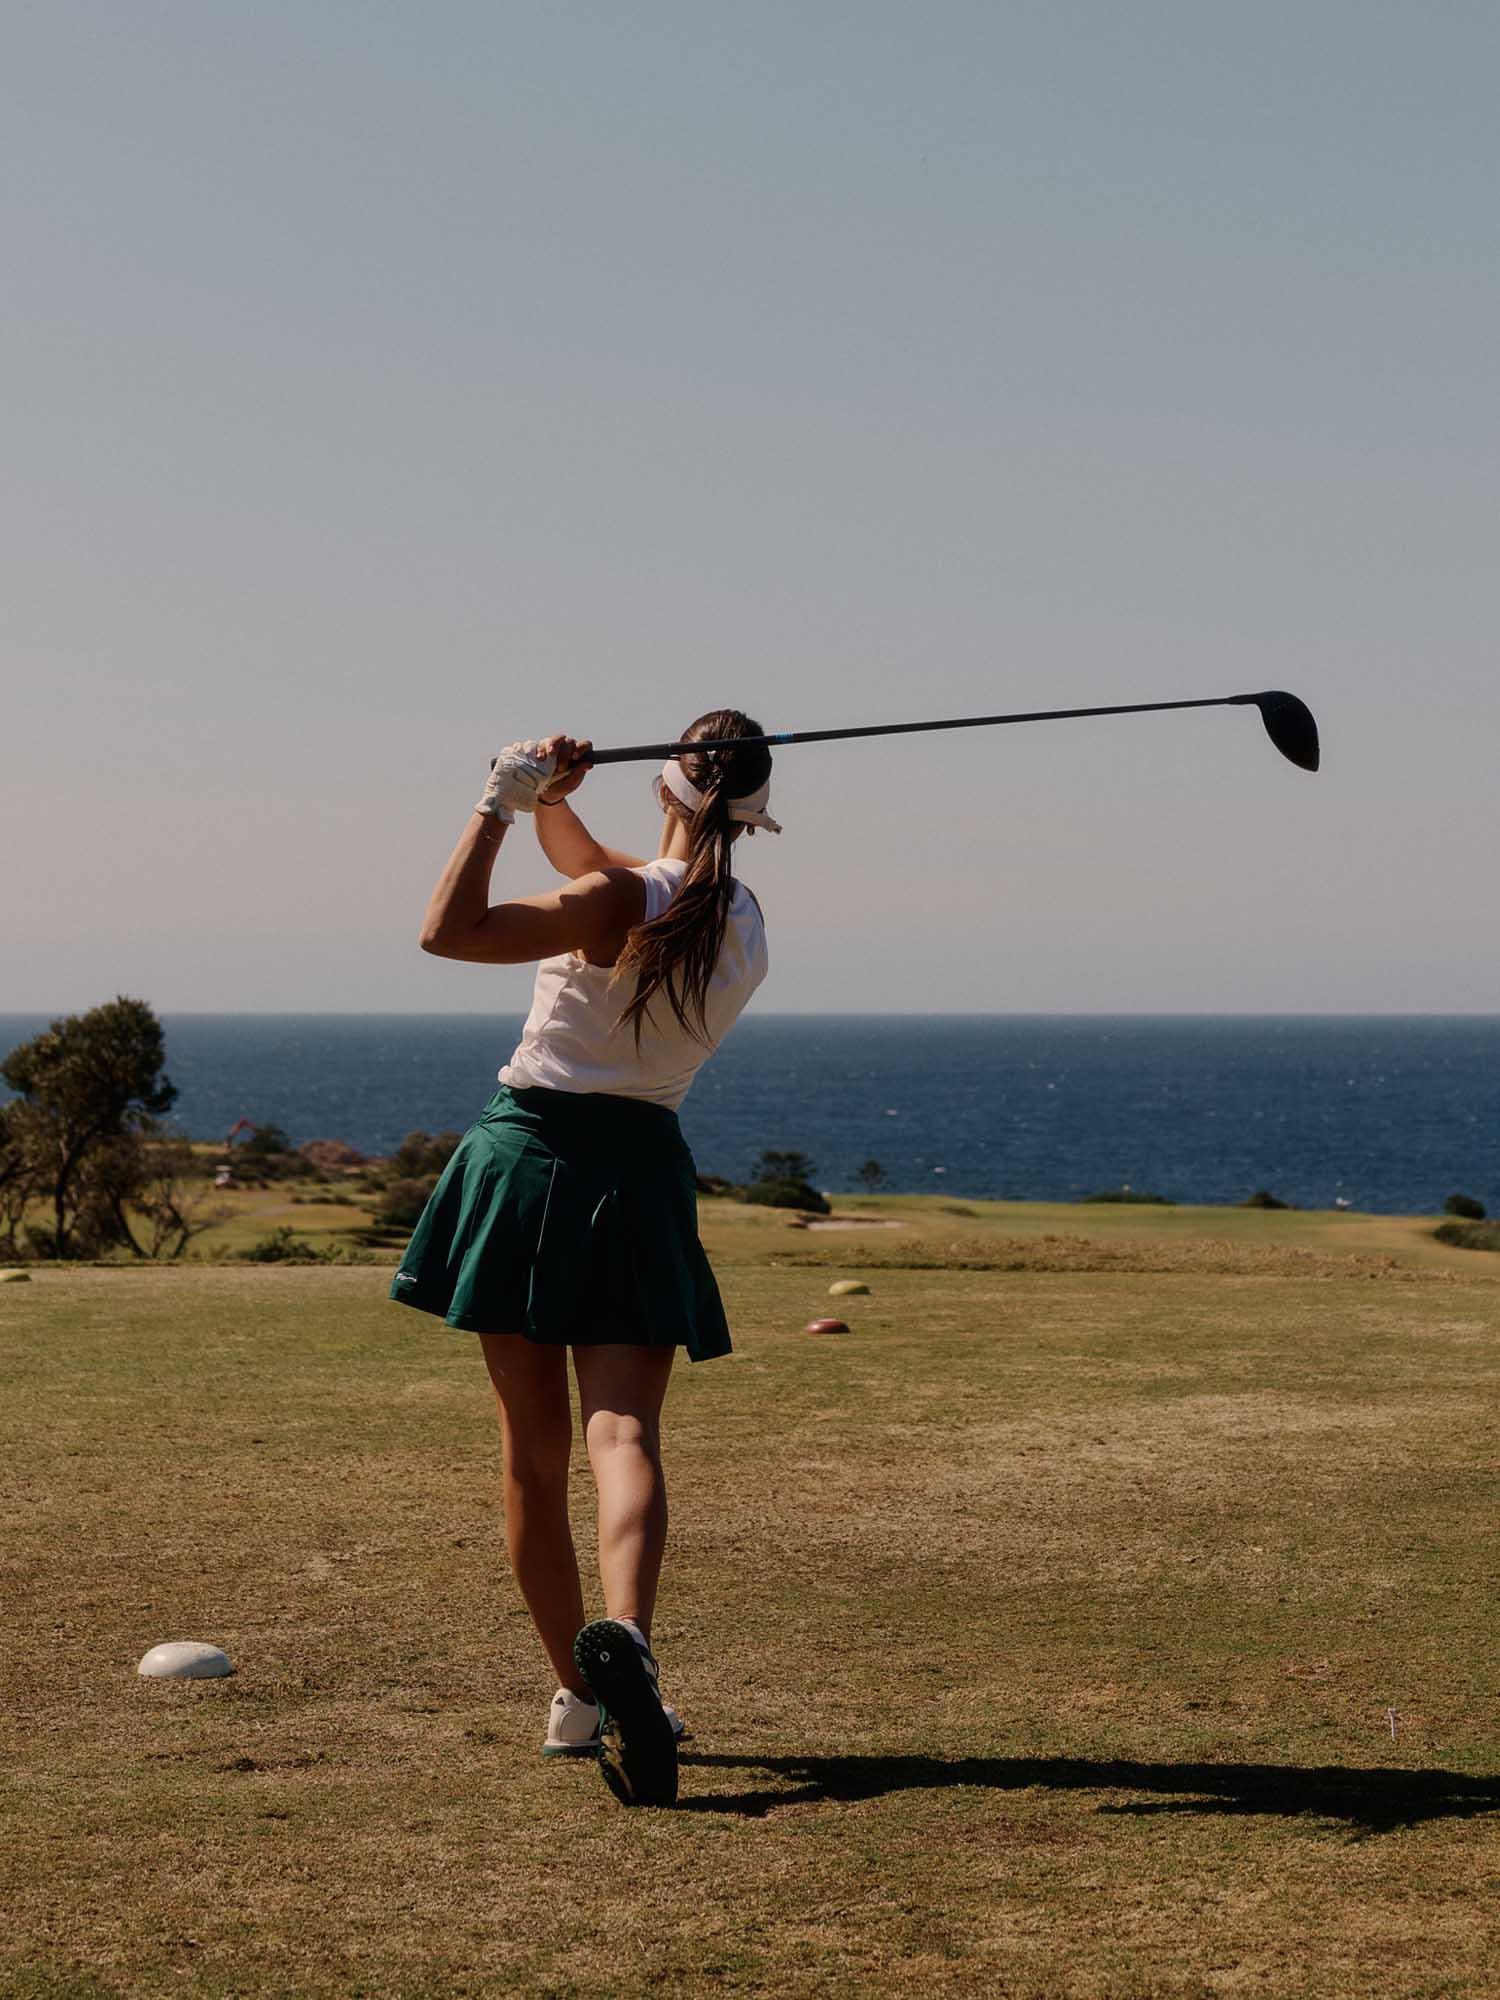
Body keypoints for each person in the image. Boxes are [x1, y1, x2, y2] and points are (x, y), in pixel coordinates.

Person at [389, 710, 777, 1807]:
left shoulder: (619, 897)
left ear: (667, 788)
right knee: (623, 1435)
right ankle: (631, 1646)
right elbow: (613, 874)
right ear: (751, 814)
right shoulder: (739, 915)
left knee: (533, 1455)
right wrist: (553, 804)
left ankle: (577, 1690)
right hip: (640, 1171)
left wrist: (496, 803)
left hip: (529, 1161)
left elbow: (447, 931)